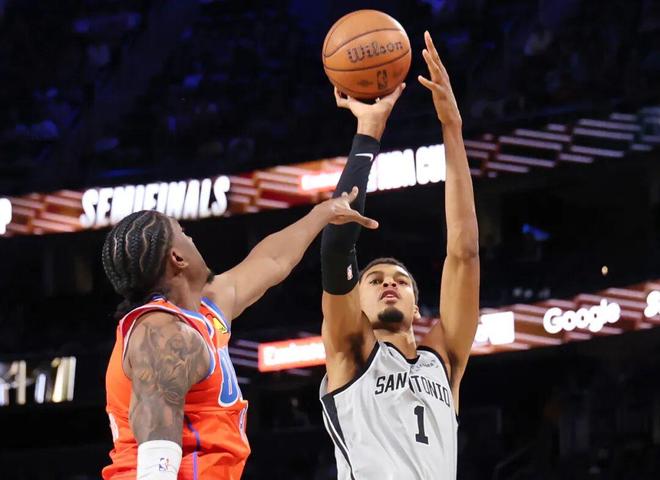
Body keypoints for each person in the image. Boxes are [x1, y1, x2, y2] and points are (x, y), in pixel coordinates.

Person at [101, 189, 377, 479]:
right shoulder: (162, 333)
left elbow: (272, 260)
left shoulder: (206, 309)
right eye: (183, 232)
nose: (192, 238)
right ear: (177, 258)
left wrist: (323, 213)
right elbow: (155, 429)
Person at [319, 31, 479, 479]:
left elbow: (464, 253)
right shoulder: (350, 352)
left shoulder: (443, 360)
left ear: (416, 305)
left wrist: (452, 128)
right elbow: (336, 248)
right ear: (358, 302)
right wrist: (368, 132)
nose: (389, 282)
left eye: (401, 280)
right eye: (374, 280)